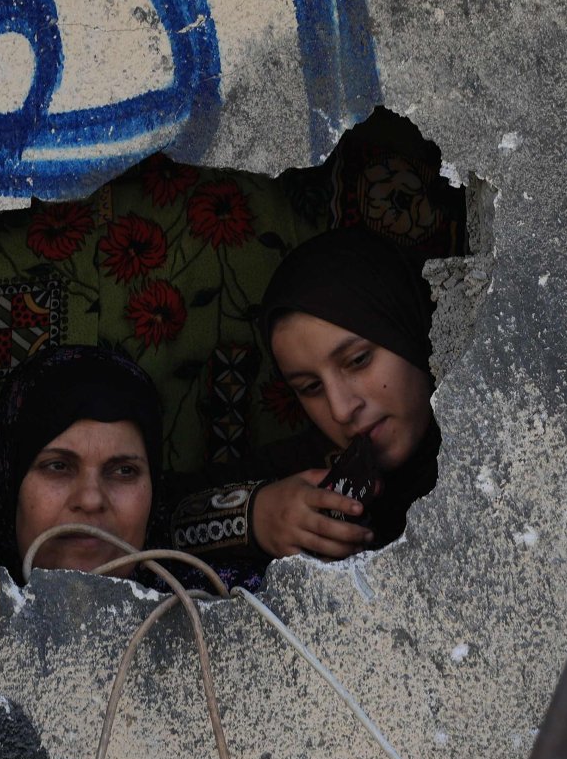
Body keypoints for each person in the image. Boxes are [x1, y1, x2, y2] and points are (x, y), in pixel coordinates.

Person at [169, 227, 439, 577]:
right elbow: (148, 519)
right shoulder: (313, 476)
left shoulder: (505, 440)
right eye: (311, 387)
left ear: (410, 327)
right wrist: (255, 515)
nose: (341, 410)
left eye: (358, 360)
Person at [0, 344, 164, 580]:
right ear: (7, 484)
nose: (90, 500)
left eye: (124, 470)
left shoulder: (204, 604)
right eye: (58, 466)